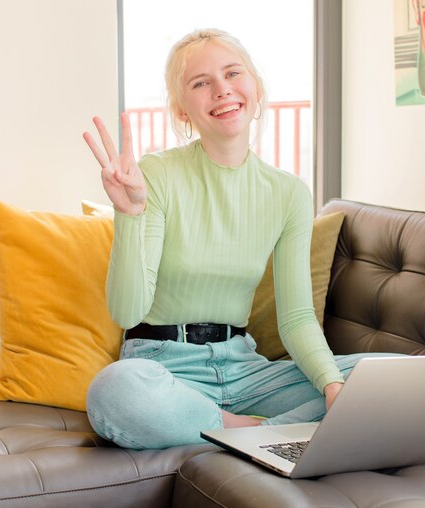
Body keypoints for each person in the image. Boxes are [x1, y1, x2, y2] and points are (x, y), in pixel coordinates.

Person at [83, 28, 391, 450]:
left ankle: (236, 431)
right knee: (114, 391)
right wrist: (130, 214)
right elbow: (126, 310)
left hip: (247, 371)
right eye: (200, 83)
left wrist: (333, 384)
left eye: (232, 73)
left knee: (390, 374)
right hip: (162, 369)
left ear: (256, 88)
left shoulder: (288, 193)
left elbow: (297, 318)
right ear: (182, 109)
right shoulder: (155, 175)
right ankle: (251, 432)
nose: (222, 90)